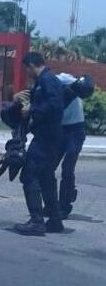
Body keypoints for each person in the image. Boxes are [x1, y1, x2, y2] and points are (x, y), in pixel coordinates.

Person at [14, 52, 64, 236]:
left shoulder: (47, 80)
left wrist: (32, 109)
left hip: (46, 137)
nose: (26, 72)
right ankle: (55, 221)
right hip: (50, 137)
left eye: (26, 68)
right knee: (46, 178)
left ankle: (36, 221)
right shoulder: (45, 80)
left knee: (29, 175)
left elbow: (56, 106)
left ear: (31, 65)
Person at [54, 73, 94, 219]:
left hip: (76, 129)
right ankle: (52, 203)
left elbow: (86, 85)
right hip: (59, 129)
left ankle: (65, 204)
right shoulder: (43, 88)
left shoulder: (63, 79)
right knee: (49, 166)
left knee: (68, 167)